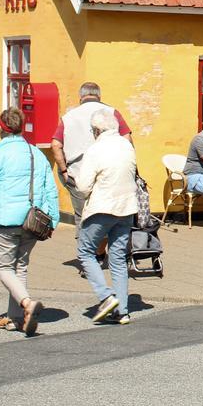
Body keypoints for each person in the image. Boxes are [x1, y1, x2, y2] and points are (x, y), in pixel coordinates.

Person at [0, 108, 57, 335]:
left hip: (4, 221)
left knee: (3, 268)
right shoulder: (36, 153)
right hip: (31, 221)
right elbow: (51, 190)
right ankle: (18, 319)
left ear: (1, 128)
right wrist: (52, 220)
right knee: (20, 267)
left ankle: (26, 304)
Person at [74, 109, 139, 324]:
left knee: (85, 252)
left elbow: (83, 187)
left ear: (96, 130)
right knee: (118, 258)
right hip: (127, 207)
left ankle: (106, 296)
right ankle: (123, 310)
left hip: (103, 207)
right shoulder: (127, 145)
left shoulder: (95, 149)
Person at [50, 82, 132, 227]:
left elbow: (56, 145)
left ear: (80, 97)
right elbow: (127, 139)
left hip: (77, 174)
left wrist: (64, 171)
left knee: (83, 218)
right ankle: (104, 247)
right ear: (99, 96)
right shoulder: (112, 112)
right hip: (109, 174)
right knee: (111, 216)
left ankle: (86, 247)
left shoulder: (68, 116)